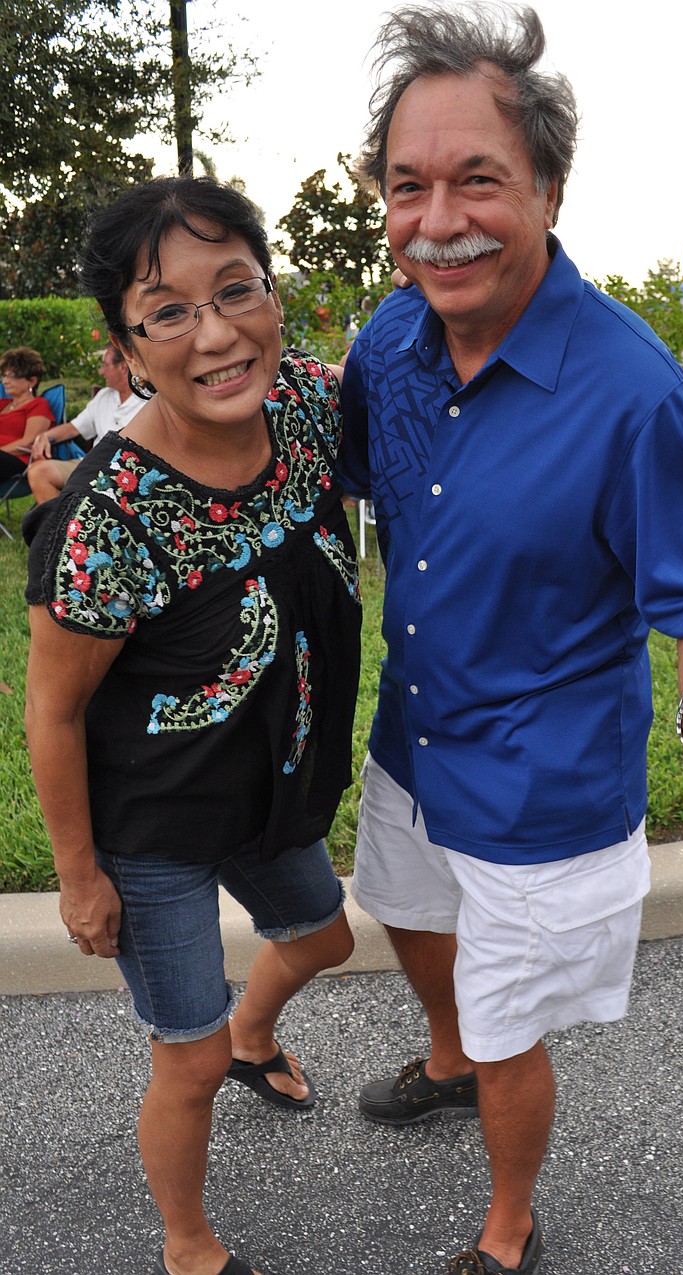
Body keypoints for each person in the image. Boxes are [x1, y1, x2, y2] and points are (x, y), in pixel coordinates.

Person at [337, 7, 683, 1274]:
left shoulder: (630, 390)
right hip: (418, 735)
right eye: (407, 185)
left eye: (477, 179)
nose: (439, 220)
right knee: (406, 914)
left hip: (542, 781)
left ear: (546, 184)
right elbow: (330, 480)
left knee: (509, 1035)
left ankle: (508, 1224)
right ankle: (444, 1057)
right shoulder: (389, 336)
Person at [24, 176, 361, 1275]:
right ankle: (188, 1244)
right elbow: (55, 706)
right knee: (188, 1059)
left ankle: (257, 1034)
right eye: (169, 310)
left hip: (269, 796)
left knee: (323, 937)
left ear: (274, 297)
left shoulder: (308, 408)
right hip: (154, 832)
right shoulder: (107, 520)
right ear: (121, 347)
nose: (215, 334)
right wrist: (80, 874)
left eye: (237, 291)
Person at [26, 343, 144, 502]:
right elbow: (73, 428)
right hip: (91, 467)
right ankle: (60, 525)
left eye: (105, 365)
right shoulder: (103, 396)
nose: (101, 372)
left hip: (126, 474)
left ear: (123, 367)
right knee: (38, 472)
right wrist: (45, 436)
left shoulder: (147, 402)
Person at [0, 345, 55, 482]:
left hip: (17, 462)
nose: (4, 381)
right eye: (4, 375)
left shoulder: (38, 405)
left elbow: (28, 442)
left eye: (11, 376)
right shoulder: (3, 404)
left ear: (32, 381)